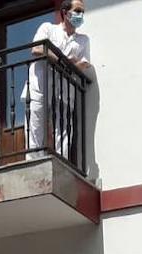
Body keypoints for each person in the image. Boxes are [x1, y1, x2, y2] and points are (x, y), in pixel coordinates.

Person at [25, 0, 91, 160]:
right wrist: (64, 61)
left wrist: (70, 63)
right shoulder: (48, 28)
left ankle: (62, 162)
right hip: (39, 84)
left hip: (64, 88)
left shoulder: (83, 40)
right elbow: (37, 49)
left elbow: (84, 64)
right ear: (65, 12)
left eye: (82, 12)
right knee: (36, 123)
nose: (80, 15)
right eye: (77, 11)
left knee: (63, 127)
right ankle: (33, 161)